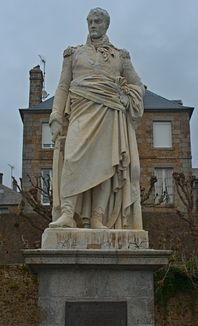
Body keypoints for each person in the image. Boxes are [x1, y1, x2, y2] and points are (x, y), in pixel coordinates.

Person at [49, 7, 145, 229]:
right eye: (90, 21)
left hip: (109, 113)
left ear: (106, 25)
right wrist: (55, 116)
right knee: (72, 159)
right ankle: (67, 214)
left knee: (105, 166)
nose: (93, 25)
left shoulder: (120, 56)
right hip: (80, 112)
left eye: (98, 21)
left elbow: (137, 85)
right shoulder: (73, 53)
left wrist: (125, 96)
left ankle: (97, 217)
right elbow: (63, 86)